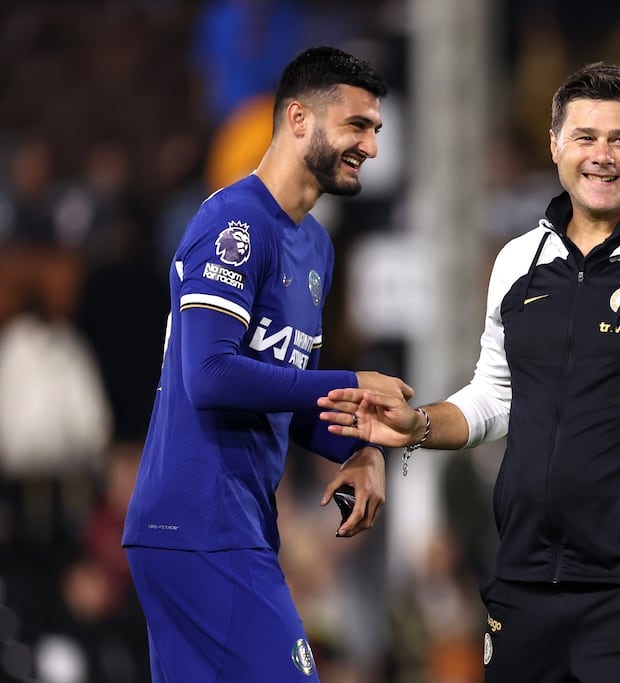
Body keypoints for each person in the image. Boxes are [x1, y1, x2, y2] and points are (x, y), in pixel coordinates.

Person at [319, 62, 620, 682]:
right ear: (555, 145)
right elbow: (494, 396)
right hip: (522, 586)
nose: (603, 156)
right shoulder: (518, 262)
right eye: (586, 137)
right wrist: (421, 423)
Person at [122, 46, 411, 682]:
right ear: (299, 119)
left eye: (375, 129)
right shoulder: (234, 221)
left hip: (231, 523)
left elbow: (283, 394)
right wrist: (353, 384)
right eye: (356, 126)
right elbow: (211, 377)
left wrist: (356, 448)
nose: (370, 146)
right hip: (197, 522)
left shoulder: (316, 245)